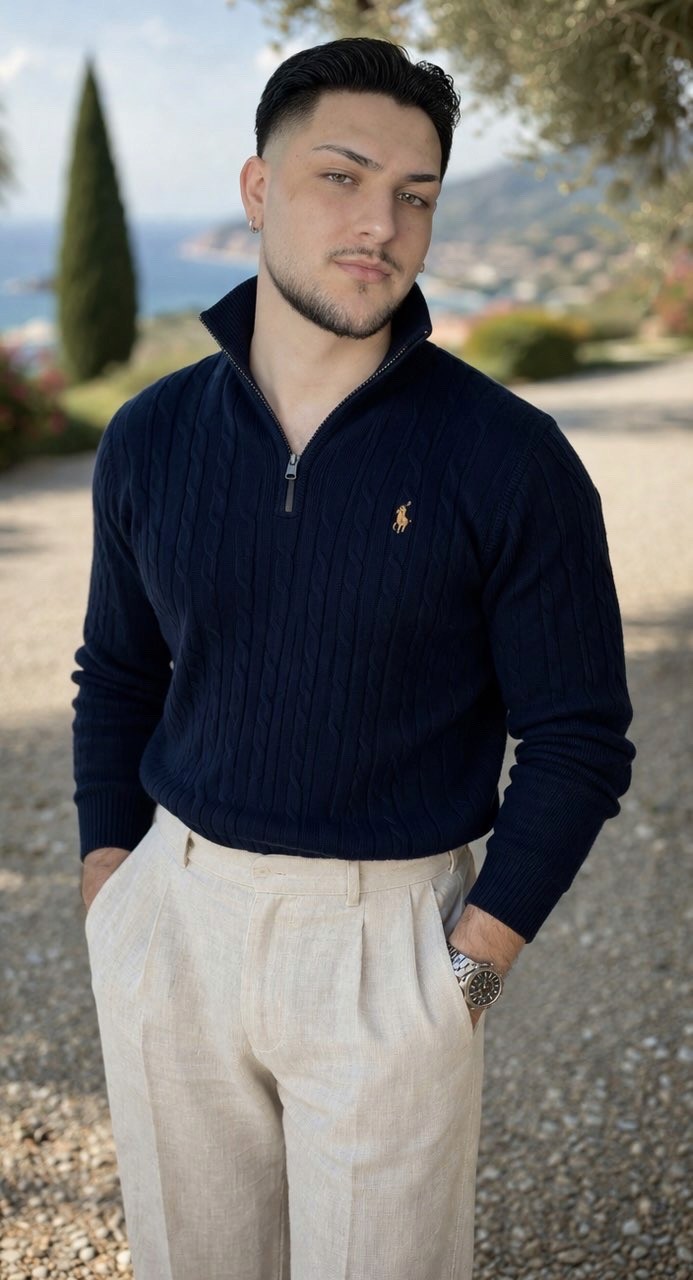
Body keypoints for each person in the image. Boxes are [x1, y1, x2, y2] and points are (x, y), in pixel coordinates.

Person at [72, 36, 636, 1280]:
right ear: (259, 189)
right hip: (178, 913)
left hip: (391, 941)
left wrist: (468, 969)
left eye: (416, 194)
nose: (380, 222)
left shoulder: (509, 457)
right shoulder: (150, 437)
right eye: (342, 176)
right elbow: (117, 673)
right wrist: (114, 886)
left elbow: (582, 735)